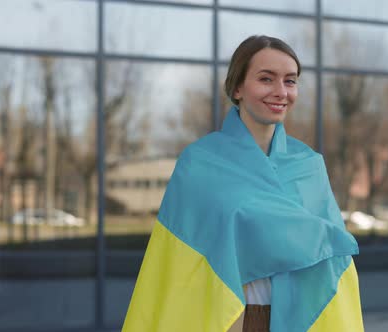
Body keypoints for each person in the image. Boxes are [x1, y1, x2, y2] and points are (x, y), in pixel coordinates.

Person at [122, 35, 364, 332]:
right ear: (237, 88)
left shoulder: (309, 165)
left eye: (290, 81)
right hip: (228, 321)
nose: (280, 92)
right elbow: (175, 263)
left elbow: (334, 258)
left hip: (301, 321)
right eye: (266, 79)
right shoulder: (200, 163)